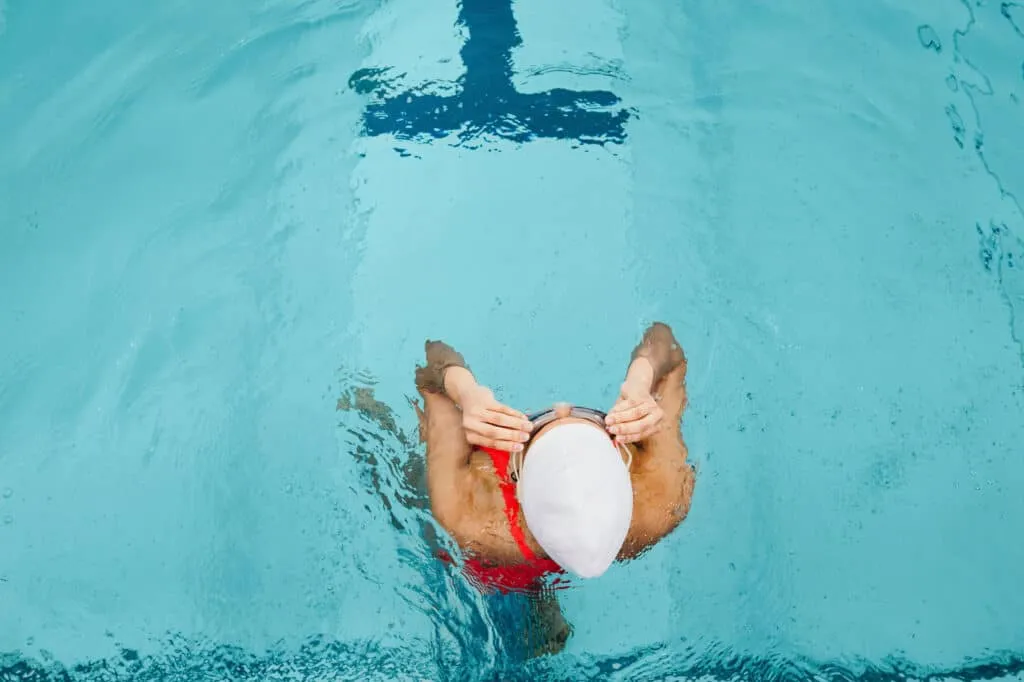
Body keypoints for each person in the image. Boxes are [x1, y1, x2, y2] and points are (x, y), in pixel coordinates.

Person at [412, 322, 696, 655]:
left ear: (515, 481)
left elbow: (431, 364)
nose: (562, 406)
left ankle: (536, 603)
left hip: (498, 554)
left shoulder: (466, 513)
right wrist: (640, 381)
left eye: (537, 429)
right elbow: (667, 346)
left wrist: (465, 392)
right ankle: (540, 608)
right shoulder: (660, 497)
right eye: (584, 418)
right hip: (535, 548)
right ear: (622, 458)